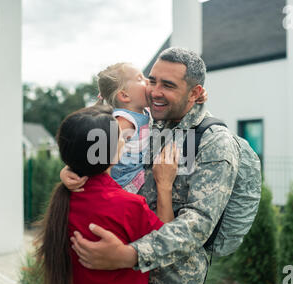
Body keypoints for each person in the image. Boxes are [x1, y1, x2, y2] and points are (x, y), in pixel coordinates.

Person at [65, 47, 241, 284]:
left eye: (167, 85)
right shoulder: (149, 118)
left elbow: (197, 225)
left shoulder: (213, 143)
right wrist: (72, 170)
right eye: (151, 80)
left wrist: (129, 255)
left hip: (169, 283)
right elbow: (95, 144)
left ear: (195, 93)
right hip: (119, 278)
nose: (154, 91)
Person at [35, 104, 179, 284]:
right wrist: (164, 185)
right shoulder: (130, 206)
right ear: (110, 154)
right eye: (122, 137)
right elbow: (167, 243)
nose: (126, 140)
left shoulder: (64, 199)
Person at [61, 62, 206, 194]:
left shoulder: (145, 111)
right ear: (124, 95)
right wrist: (70, 170)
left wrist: (192, 96)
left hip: (141, 178)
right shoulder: (124, 120)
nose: (148, 81)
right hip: (126, 185)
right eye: (140, 79)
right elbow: (96, 152)